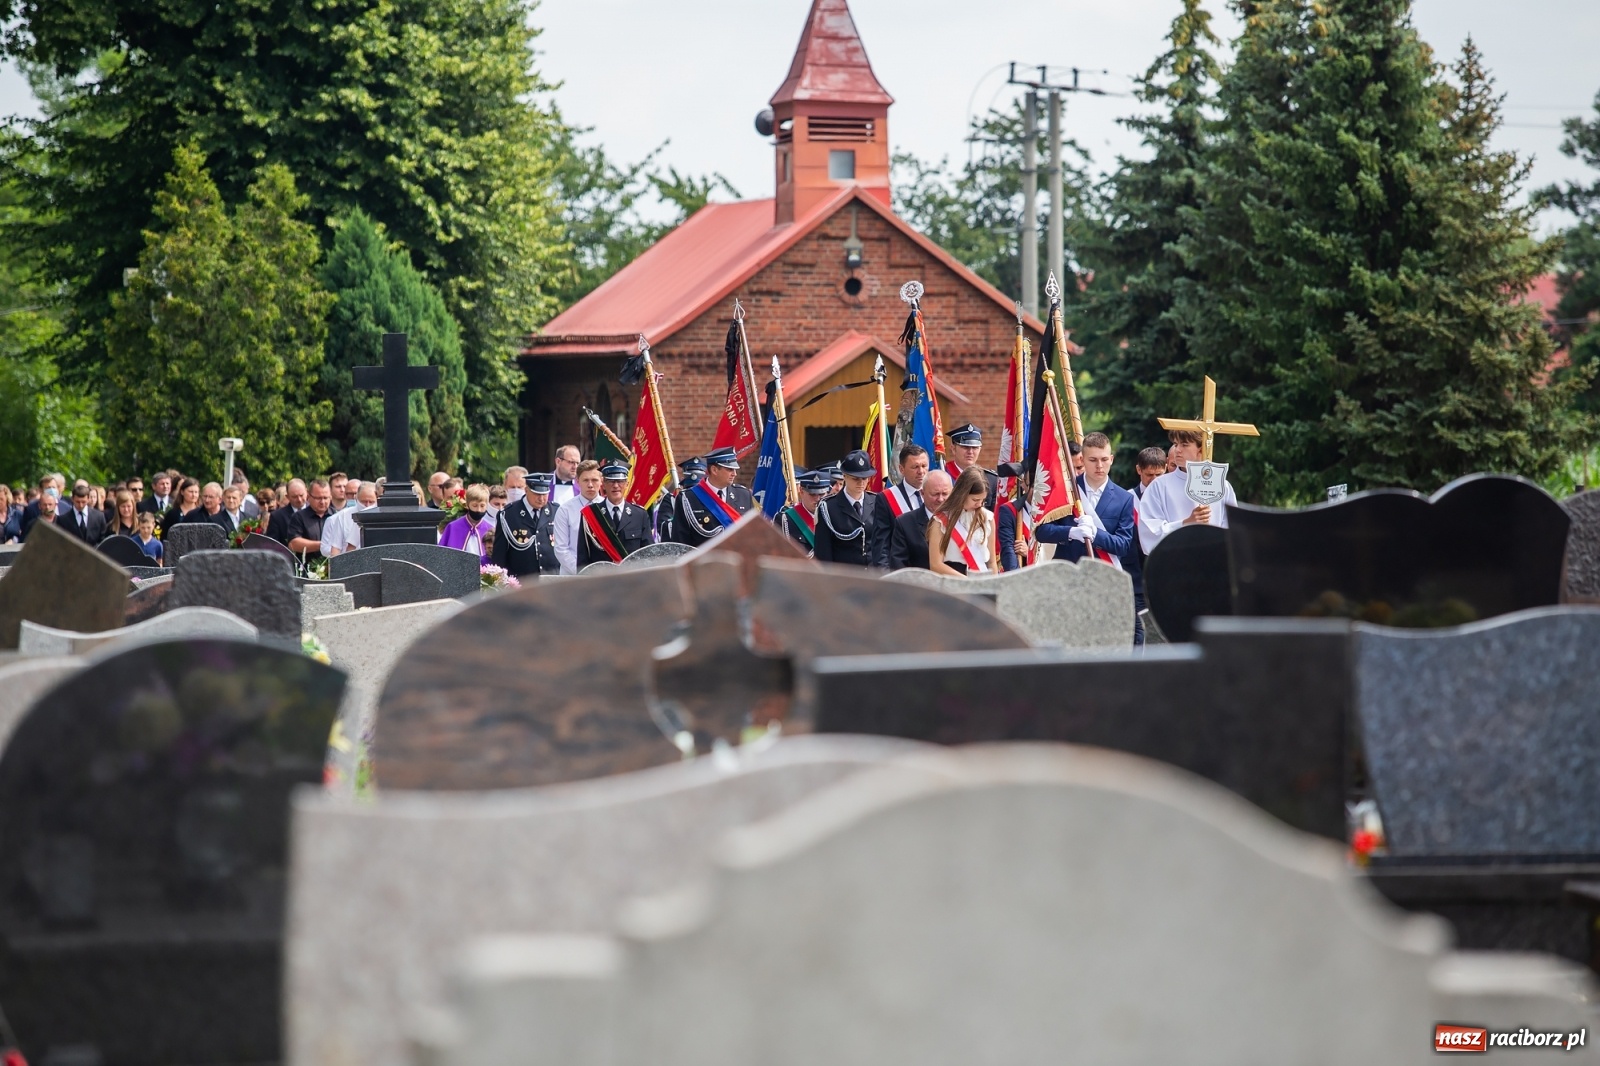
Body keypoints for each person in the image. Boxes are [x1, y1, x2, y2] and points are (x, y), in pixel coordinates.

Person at [1035, 432, 1135, 571]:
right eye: (1093, 460)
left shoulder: (1124, 498)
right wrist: (1071, 532)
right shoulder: (1066, 490)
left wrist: (1096, 533)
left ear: (1112, 459)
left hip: (1102, 575)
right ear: (1082, 460)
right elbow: (1042, 532)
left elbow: (1123, 546)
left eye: (1104, 459)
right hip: (1066, 572)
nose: (1099, 465)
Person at [1138, 428, 1238, 554]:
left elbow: (1233, 531)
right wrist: (1186, 523)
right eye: (1176, 444)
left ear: (1201, 449)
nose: (1177, 450)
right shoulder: (1159, 486)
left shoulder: (1223, 486)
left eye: (1184, 445)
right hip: (1174, 561)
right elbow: (1149, 534)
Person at [670, 447, 753, 547]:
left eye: (735, 469)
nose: (734, 474)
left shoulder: (744, 495)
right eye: (729, 469)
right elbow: (680, 543)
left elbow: (752, 535)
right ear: (714, 470)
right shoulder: (688, 498)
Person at [927, 466, 998, 576]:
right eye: (975, 500)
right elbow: (935, 565)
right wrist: (968, 582)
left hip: (982, 582)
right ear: (962, 494)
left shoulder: (988, 518)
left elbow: (992, 562)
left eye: (982, 500)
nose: (979, 504)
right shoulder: (940, 521)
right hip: (952, 582)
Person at [578, 462, 652, 567]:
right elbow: (583, 558)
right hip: (601, 580)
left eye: (620, 481)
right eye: (610, 481)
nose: (616, 485)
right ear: (603, 484)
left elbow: (648, 554)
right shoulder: (591, 514)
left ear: (627, 484)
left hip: (633, 580)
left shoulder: (640, 515)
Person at [814, 449, 878, 567]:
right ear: (844, 476)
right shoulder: (828, 508)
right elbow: (823, 554)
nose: (861, 483)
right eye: (856, 478)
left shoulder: (877, 502)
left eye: (864, 478)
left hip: (874, 578)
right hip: (844, 578)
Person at [870, 444, 928, 568]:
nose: (921, 471)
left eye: (924, 466)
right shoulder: (887, 498)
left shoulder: (937, 494)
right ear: (901, 469)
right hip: (902, 572)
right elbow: (881, 545)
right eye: (915, 467)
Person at [491, 472, 558, 576]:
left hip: (551, 582)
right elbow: (499, 556)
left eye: (544, 494)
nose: (541, 499)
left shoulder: (556, 511)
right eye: (537, 494)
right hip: (521, 583)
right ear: (526, 490)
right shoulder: (508, 514)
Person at [888, 468, 951, 571]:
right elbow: (899, 568)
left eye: (945, 494)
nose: (940, 499)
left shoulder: (960, 520)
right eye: (935, 494)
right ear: (922, 493)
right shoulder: (905, 524)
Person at [553, 460, 605, 575]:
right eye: (585, 480)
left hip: (604, 576)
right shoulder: (565, 510)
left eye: (594, 480)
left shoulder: (609, 508)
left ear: (601, 481)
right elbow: (561, 550)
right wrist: (584, 572)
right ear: (577, 482)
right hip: (573, 577)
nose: (590, 485)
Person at [777, 468, 831, 557]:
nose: (817, 499)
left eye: (821, 494)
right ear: (801, 491)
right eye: (812, 494)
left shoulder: (834, 518)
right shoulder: (786, 520)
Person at [943, 423, 998, 509]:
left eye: (975, 447)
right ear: (953, 449)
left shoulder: (991, 479)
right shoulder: (942, 475)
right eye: (965, 447)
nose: (970, 452)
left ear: (980, 449)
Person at [438, 483, 495, 562]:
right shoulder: (453, 527)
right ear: (468, 505)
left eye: (482, 506)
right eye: (474, 505)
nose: (478, 510)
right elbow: (441, 555)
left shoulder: (490, 530)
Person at [287, 479, 333, 560]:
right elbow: (293, 544)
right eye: (318, 498)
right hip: (308, 568)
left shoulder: (337, 515)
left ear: (331, 497)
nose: (322, 502)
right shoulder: (298, 517)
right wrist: (322, 545)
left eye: (325, 498)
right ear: (308, 497)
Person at [266, 478, 308, 544]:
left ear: (307, 492)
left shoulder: (315, 511)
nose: (299, 499)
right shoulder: (277, 517)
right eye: (294, 497)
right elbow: (272, 545)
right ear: (287, 497)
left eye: (301, 495)